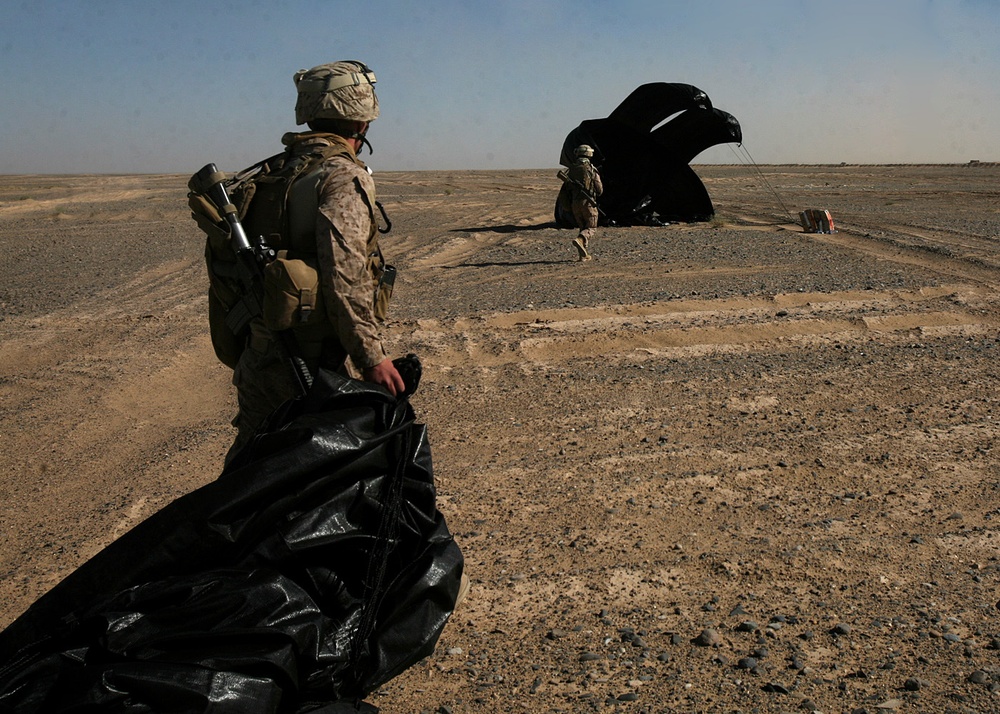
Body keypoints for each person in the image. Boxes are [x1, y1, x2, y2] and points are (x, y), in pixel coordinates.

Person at [226, 60, 405, 465]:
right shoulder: (341, 175)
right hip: (310, 361)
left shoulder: (274, 171)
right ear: (361, 119)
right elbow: (346, 274)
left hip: (261, 352)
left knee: (251, 467)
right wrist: (370, 356)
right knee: (308, 478)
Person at [567, 144, 603, 261]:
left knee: (582, 227)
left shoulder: (571, 169)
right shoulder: (591, 169)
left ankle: (583, 256)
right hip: (587, 203)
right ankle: (579, 240)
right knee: (591, 228)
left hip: (575, 203)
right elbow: (599, 189)